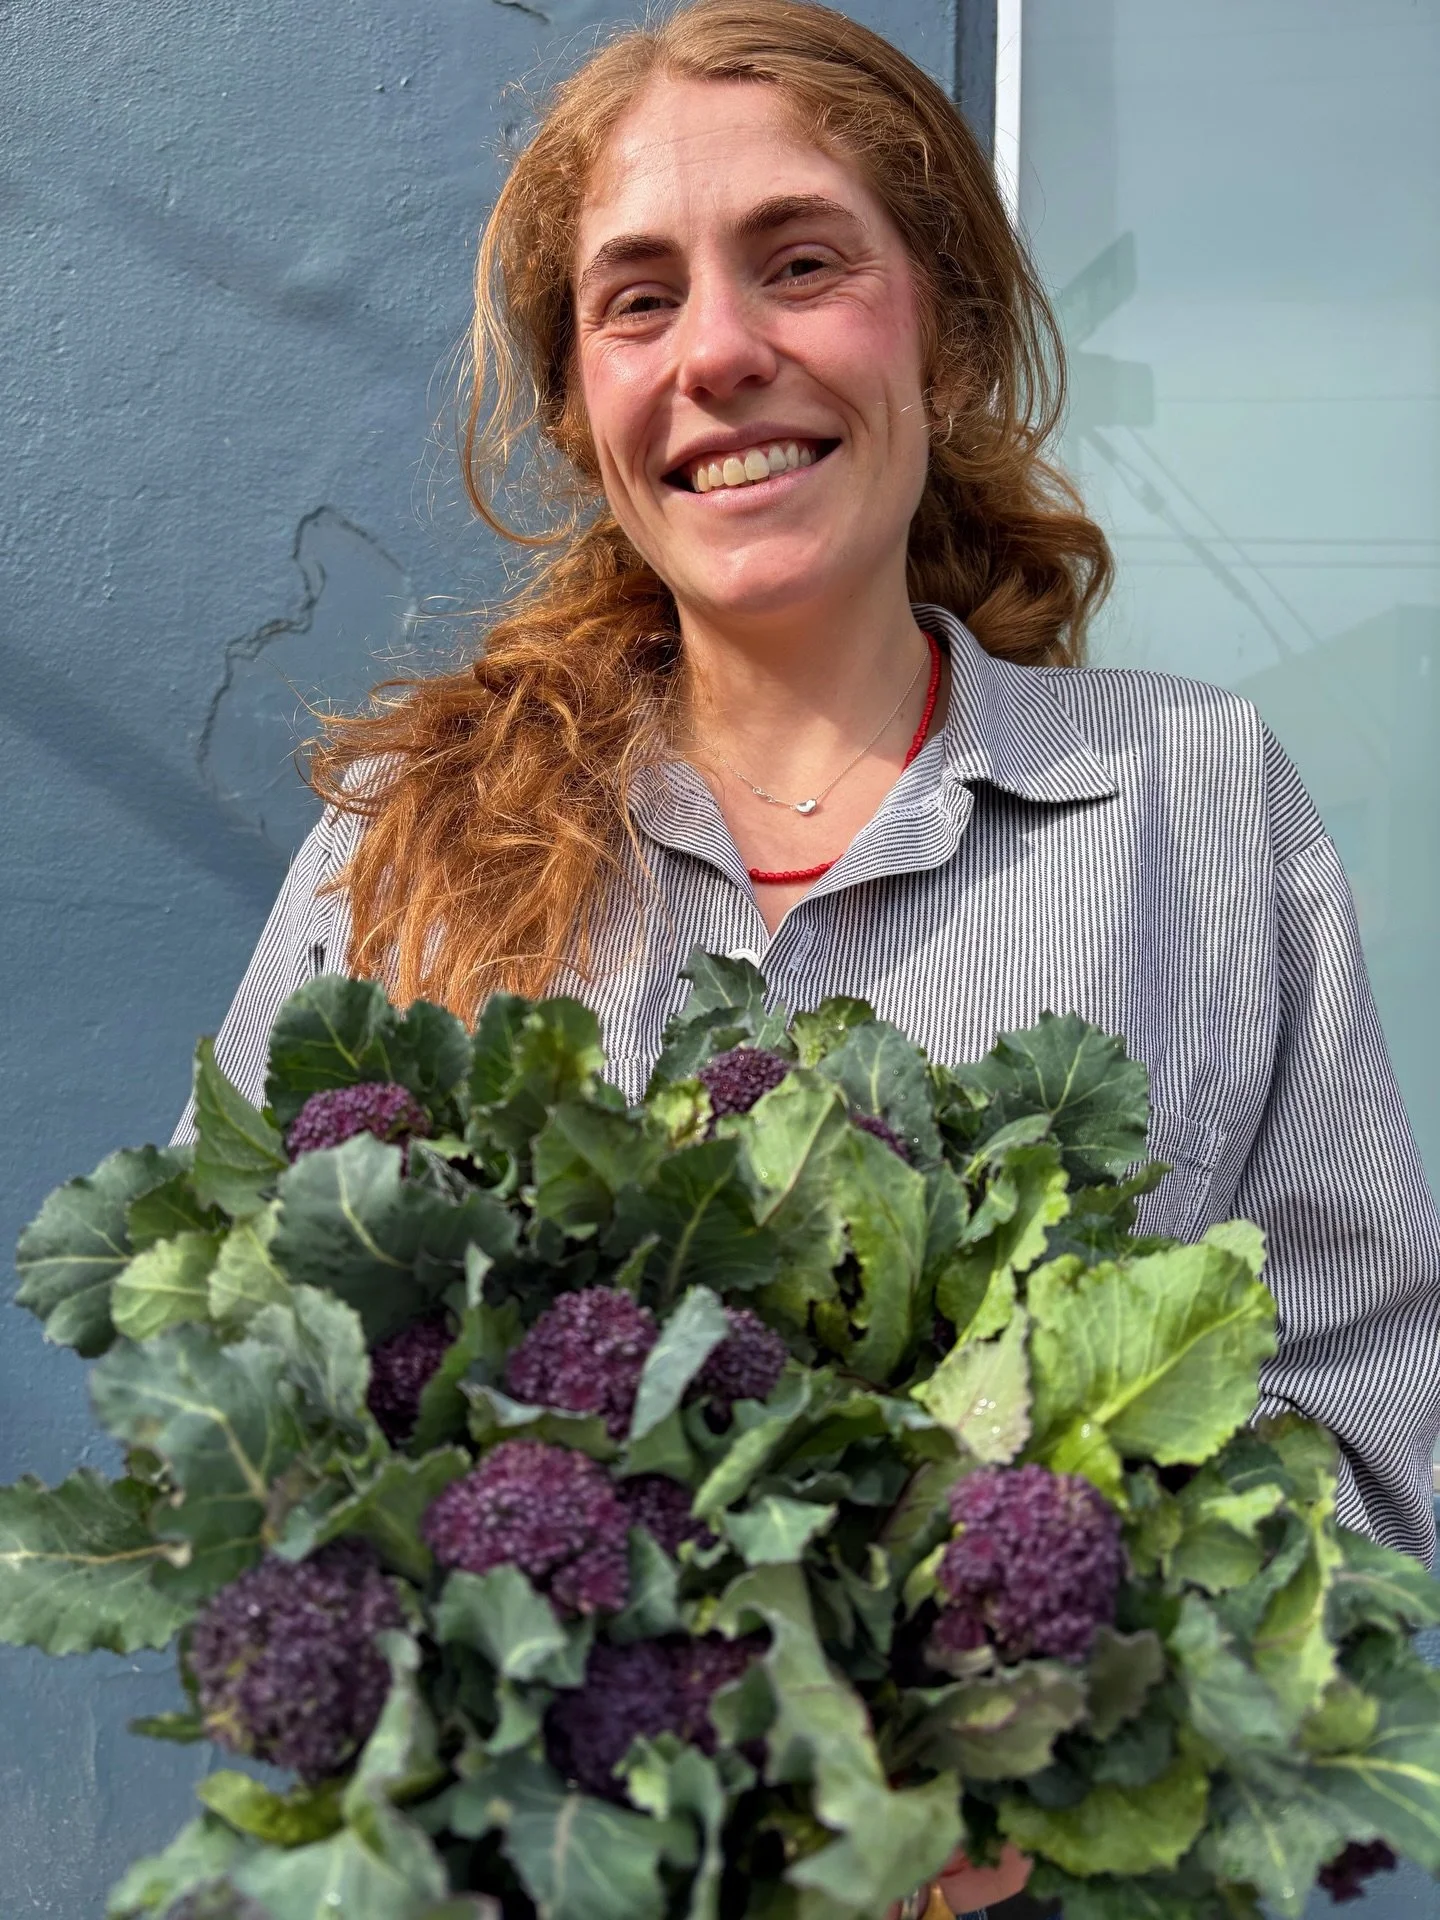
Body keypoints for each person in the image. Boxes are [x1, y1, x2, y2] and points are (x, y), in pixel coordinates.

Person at [178, 2, 1440, 1911]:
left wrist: (1048, 1749)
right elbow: (234, 1395)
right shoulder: (404, 843)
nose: (723, 355)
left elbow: (1371, 1421)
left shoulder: (1196, 807)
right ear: (580, 401)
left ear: (936, 318)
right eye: (637, 299)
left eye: (801, 262)